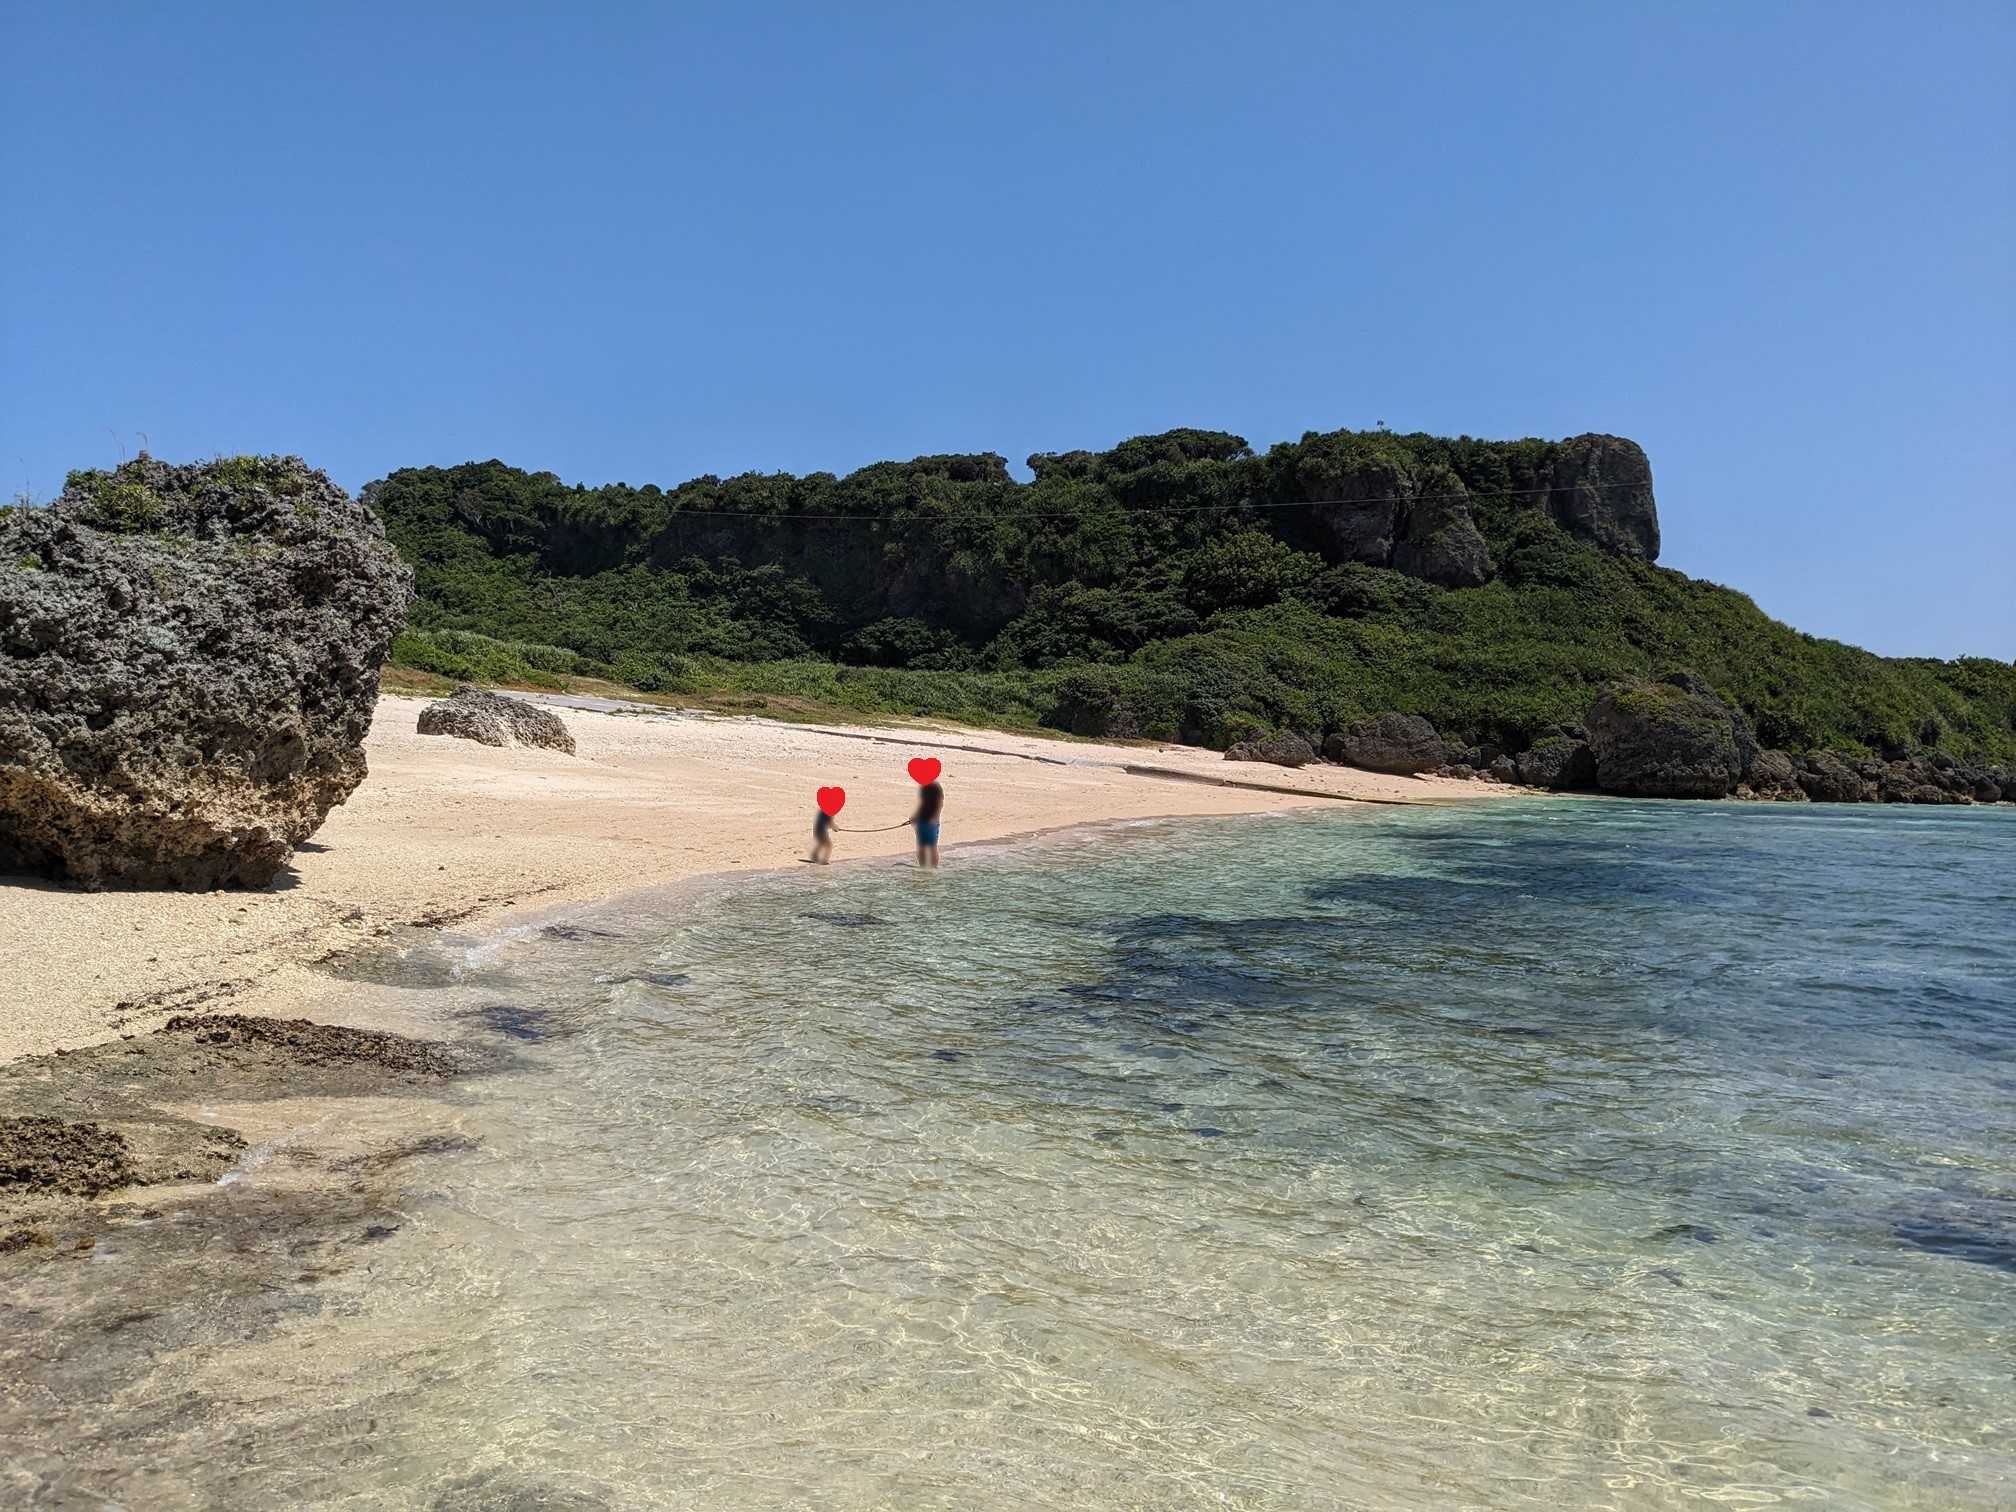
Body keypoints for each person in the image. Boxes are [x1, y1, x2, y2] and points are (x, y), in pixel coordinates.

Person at [910, 779, 943, 869]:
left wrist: (933, 818)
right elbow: (923, 804)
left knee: (932, 847)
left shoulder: (935, 787)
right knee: (921, 846)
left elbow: (939, 804)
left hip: (932, 822)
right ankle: (923, 869)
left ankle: (934, 869)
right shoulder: (924, 787)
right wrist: (915, 816)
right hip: (922, 821)